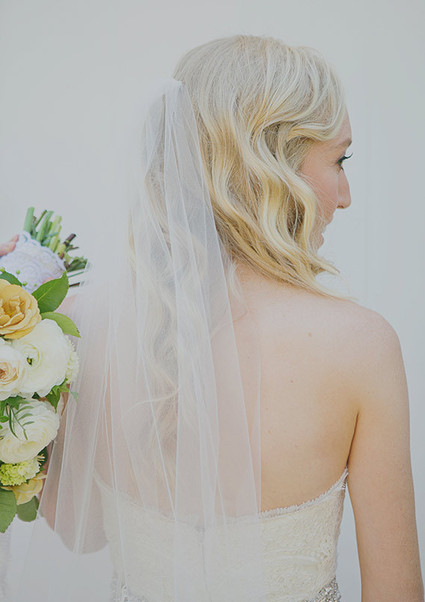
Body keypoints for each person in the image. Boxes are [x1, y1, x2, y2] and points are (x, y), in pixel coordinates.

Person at [7, 34, 424, 601]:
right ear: (274, 163)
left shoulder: (81, 324)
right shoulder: (361, 346)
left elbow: (83, 535)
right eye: (339, 160)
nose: (345, 195)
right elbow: (396, 592)